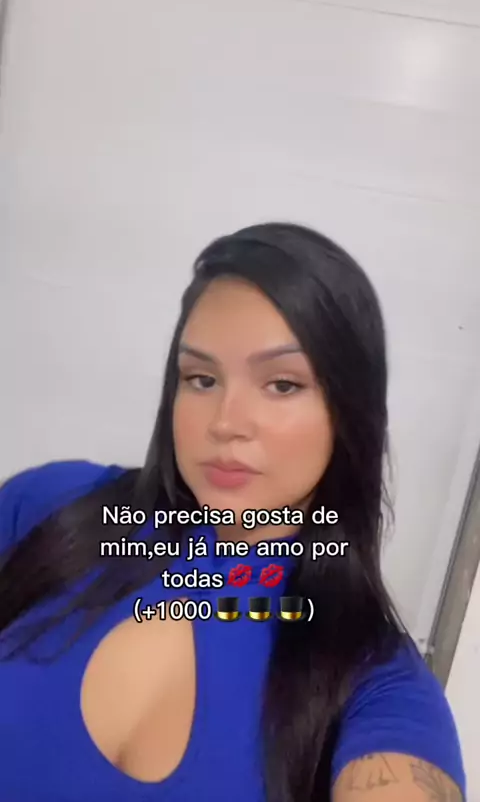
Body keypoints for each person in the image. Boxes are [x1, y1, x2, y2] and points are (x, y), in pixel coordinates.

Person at [0, 222, 465, 802]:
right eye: (201, 378)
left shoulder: (375, 680)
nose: (225, 422)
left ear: (350, 410)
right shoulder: (56, 506)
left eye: (282, 385)